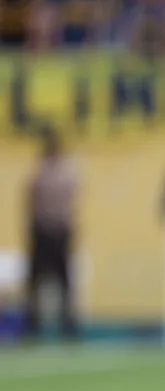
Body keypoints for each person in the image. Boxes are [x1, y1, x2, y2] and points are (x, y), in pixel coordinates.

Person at [24, 125, 79, 342]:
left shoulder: (44, 174)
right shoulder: (61, 174)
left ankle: (58, 326)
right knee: (44, 281)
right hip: (53, 230)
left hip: (50, 230)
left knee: (56, 281)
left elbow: (30, 201)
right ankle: (44, 326)